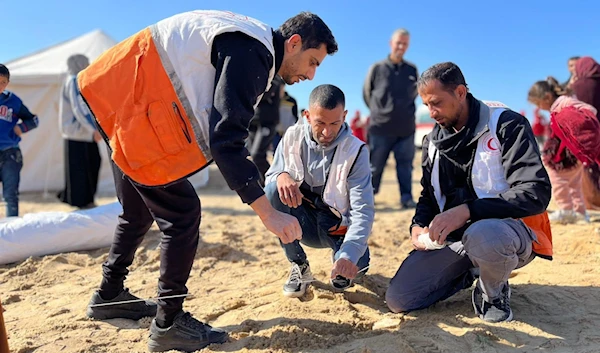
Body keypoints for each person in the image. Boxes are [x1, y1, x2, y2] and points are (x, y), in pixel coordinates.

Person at [78, 10, 337, 352]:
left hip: (122, 96)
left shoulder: (247, 38)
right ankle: (169, 322)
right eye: (312, 61)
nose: (311, 73)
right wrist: (268, 213)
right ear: (294, 43)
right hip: (139, 104)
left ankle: (108, 295)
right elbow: (226, 139)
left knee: (138, 211)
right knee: (182, 214)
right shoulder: (255, 52)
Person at [385, 62, 553, 324]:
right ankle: (476, 270)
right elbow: (428, 196)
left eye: (436, 103)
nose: (431, 112)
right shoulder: (431, 143)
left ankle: (492, 292)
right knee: (401, 298)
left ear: (461, 92)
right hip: (456, 240)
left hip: (509, 233)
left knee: (483, 235)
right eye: (426, 105)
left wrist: (468, 211)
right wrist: (417, 225)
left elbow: (536, 192)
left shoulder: (506, 125)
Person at [264, 84, 374, 297]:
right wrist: (281, 175)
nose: (327, 131)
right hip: (301, 221)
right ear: (307, 115)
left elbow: (363, 211)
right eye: (320, 123)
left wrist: (348, 256)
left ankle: (341, 256)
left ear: (344, 116)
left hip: (336, 227)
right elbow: (270, 177)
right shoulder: (291, 137)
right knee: (272, 191)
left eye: (335, 123)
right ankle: (299, 265)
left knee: (357, 268)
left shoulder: (356, 151)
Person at [528, 77, 597, 223]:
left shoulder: (564, 103)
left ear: (547, 97)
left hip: (566, 157)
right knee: (574, 184)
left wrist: (576, 129)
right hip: (569, 155)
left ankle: (566, 210)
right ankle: (580, 213)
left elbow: (590, 110)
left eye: (539, 103)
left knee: (559, 182)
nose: (540, 107)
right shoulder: (560, 104)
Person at [363, 28, 418, 209]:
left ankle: (406, 198)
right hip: (380, 128)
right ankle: (368, 199)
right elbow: (367, 93)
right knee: (374, 167)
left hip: (406, 129)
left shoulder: (412, 70)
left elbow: (416, 94)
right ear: (391, 43)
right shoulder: (377, 68)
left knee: (405, 167)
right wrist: (379, 112)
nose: (401, 46)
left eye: (405, 44)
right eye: (398, 43)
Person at [57, 54, 102, 209]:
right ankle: (84, 202)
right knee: (87, 166)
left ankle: (78, 199)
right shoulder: (75, 80)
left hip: (75, 133)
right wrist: (94, 129)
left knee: (78, 167)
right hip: (81, 133)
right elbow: (80, 108)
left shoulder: (69, 80)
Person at [0, 64, 39, 218]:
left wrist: (21, 128)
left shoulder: (13, 100)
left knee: (10, 195)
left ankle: (13, 234)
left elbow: (34, 120)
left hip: (10, 153)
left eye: (3, 82)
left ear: (8, 83)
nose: (0, 85)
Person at [247, 76, 284, 183]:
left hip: (267, 122)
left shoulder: (275, 78)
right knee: (253, 157)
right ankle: (262, 184)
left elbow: (261, 93)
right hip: (253, 121)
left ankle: (272, 183)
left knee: (257, 155)